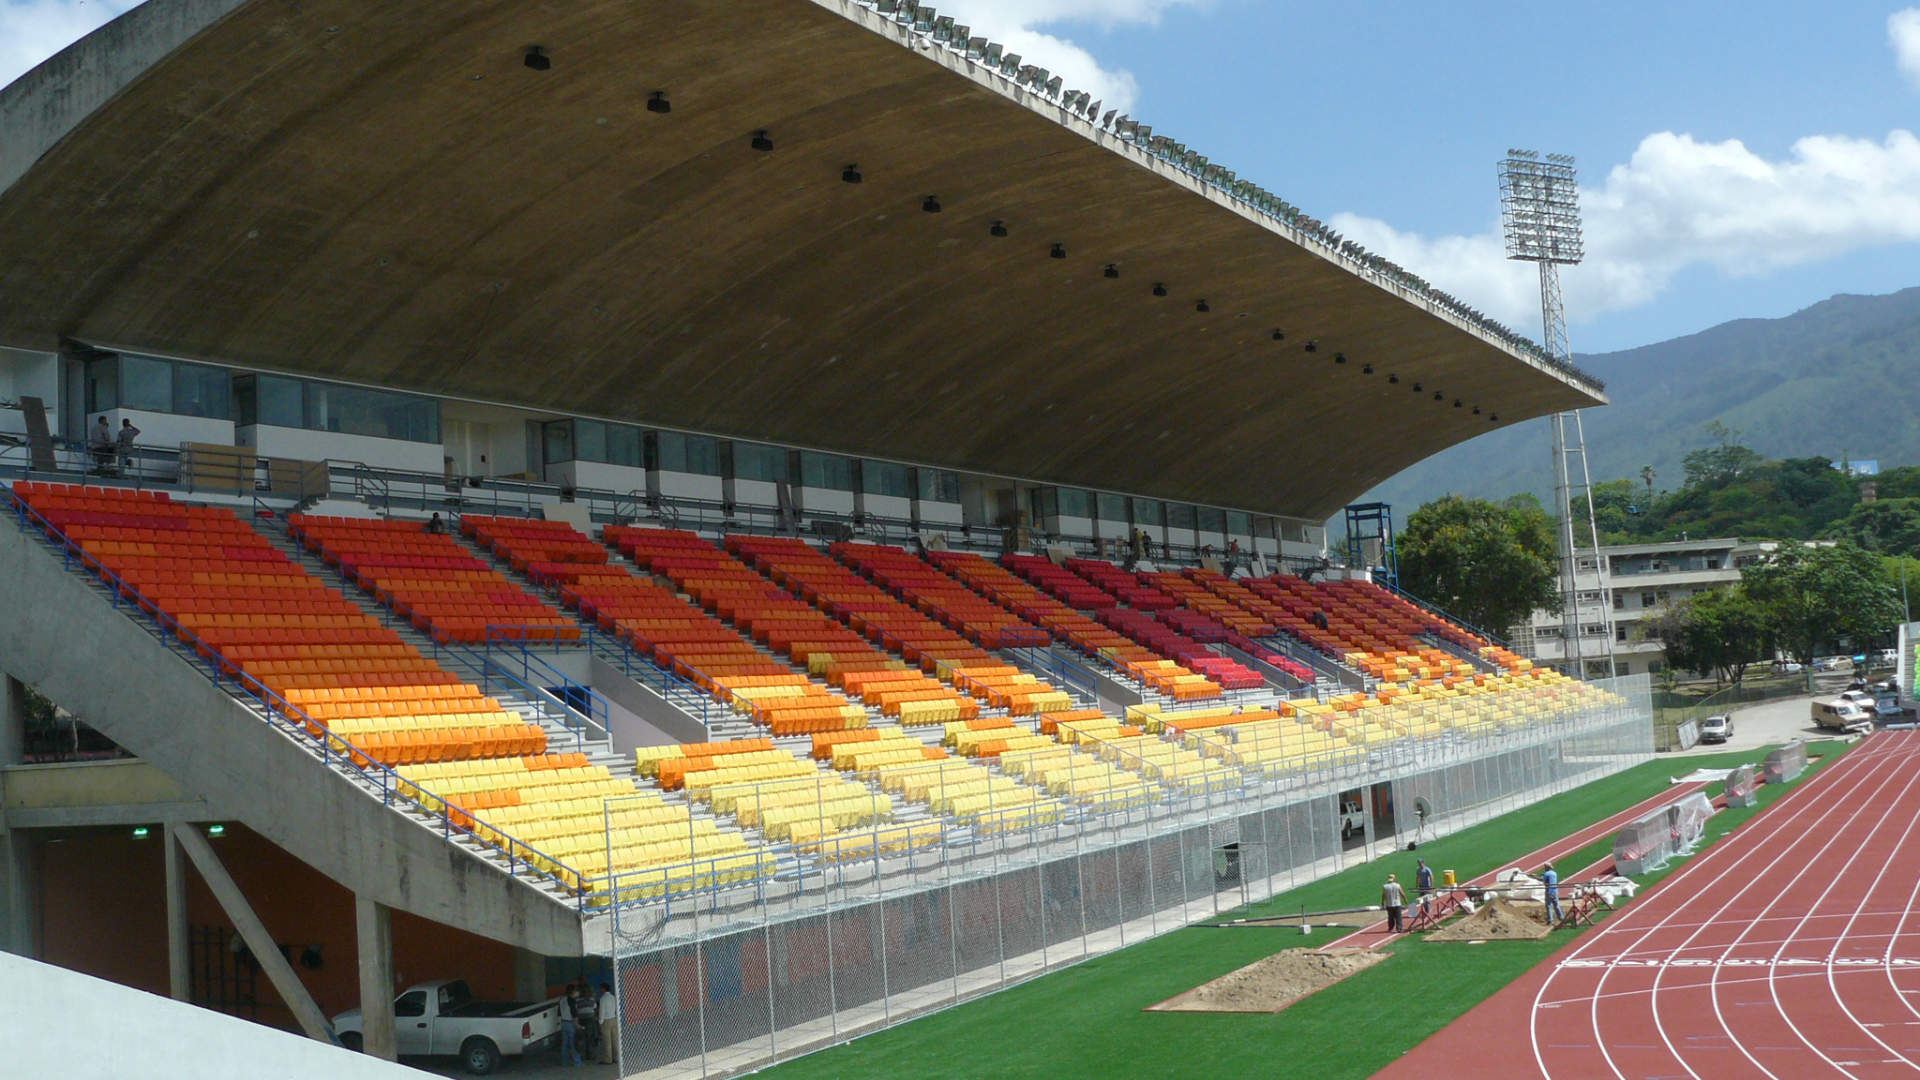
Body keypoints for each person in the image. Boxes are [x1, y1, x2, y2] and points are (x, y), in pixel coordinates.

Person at [557, 987, 582, 1066]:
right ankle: (577, 1061)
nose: (578, 993)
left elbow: (559, 1012)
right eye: (576, 991)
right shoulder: (571, 1000)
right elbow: (574, 1013)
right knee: (572, 1043)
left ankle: (565, 1062)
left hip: (563, 1022)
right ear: (573, 992)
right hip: (570, 1023)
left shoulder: (561, 1000)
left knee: (564, 1043)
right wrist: (577, 1024)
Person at [597, 982, 617, 1065]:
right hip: (613, 1019)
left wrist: (600, 1021)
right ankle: (616, 1057)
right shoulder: (613, 997)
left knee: (607, 1041)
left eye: (601, 988)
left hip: (606, 1020)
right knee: (614, 1040)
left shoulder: (602, 999)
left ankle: (608, 1059)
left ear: (604, 989)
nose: (600, 989)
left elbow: (601, 1011)